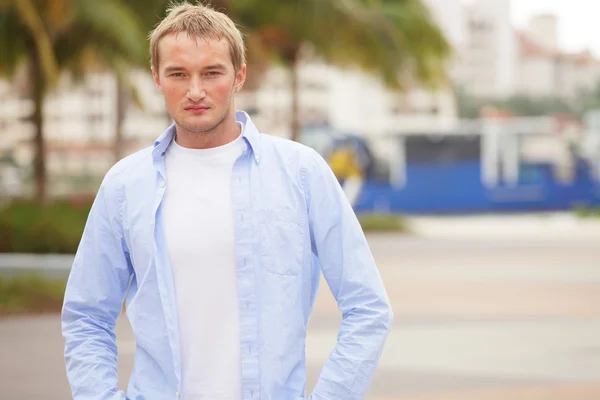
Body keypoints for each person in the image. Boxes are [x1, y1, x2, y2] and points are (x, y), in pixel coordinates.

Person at [61, 2, 393, 399]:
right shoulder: (125, 186)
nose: (195, 90)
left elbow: (368, 307)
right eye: (178, 74)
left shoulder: (301, 173)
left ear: (239, 76)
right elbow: (86, 317)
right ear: (157, 78)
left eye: (212, 73)